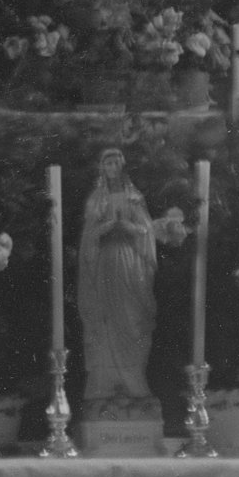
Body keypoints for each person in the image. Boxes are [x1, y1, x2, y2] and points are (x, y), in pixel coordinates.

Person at [77, 147, 159, 409]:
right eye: (107, 163)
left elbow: (146, 231)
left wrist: (128, 227)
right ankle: (105, 384)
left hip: (129, 262)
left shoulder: (134, 197)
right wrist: (105, 228)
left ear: (122, 166)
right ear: (102, 168)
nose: (112, 168)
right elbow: (89, 236)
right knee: (106, 320)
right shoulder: (96, 199)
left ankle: (134, 382)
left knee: (133, 319)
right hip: (105, 262)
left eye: (115, 163)